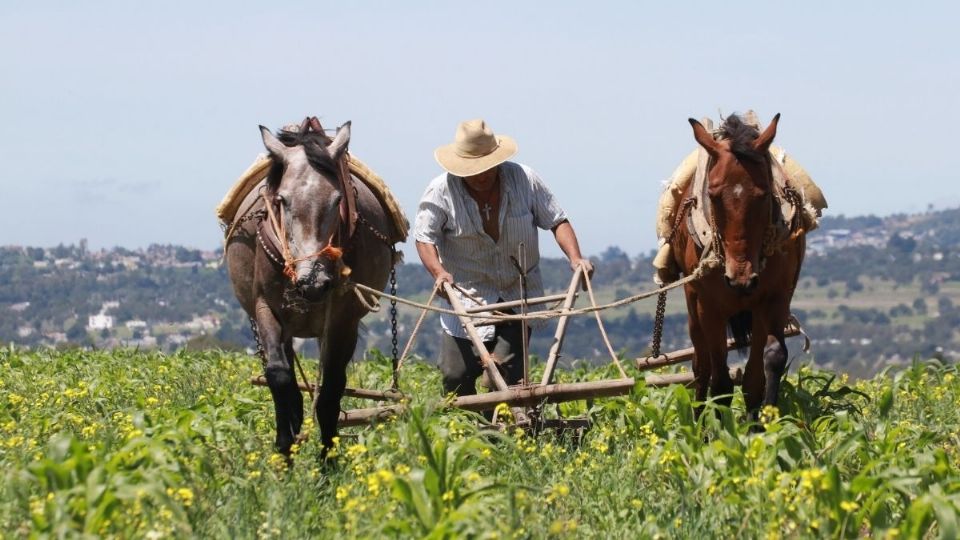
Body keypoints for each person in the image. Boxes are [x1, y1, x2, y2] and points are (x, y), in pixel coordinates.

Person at [414, 119, 594, 397]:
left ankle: (503, 432)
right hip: (465, 296)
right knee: (455, 376)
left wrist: (576, 258)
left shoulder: (525, 179)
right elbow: (425, 237)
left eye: (486, 167)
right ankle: (473, 432)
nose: (481, 175)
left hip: (517, 292)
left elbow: (557, 220)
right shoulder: (441, 190)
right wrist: (438, 272)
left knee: (506, 377)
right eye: (473, 169)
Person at [652, 110, 828, 285]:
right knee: (673, 190)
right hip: (720, 143)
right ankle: (667, 249)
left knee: (803, 191)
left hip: (755, 147)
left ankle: (805, 217)